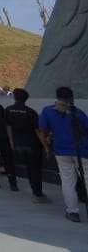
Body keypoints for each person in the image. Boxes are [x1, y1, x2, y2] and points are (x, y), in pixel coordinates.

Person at [39, 86, 88, 223]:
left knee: (68, 182)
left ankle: (73, 212)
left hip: (61, 151)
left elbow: (42, 130)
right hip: (82, 151)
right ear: (71, 98)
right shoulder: (78, 113)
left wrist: (47, 147)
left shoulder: (48, 111)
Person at [5, 88, 50, 203]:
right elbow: (38, 131)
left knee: (21, 167)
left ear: (15, 98)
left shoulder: (8, 110)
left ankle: (14, 185)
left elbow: (8, 127)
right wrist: (46, 146)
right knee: (34, 170)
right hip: (31, 144)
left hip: (17, 143)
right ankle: (37, 194)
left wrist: (11, 141)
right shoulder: (31, 112)